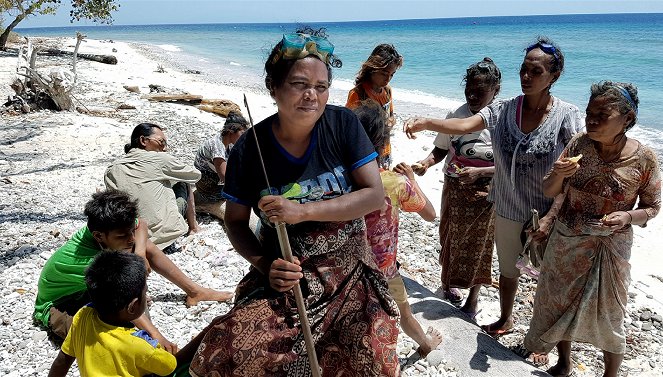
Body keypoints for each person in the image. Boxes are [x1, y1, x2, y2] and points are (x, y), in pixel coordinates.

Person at [188, 29, 400, 376]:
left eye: (321, 86)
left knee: (371, 360)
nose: (311, 96)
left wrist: (302, 211)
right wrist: (264, 264)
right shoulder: (248, 150)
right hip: (288, 275)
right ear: (273, 87)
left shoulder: (342, 124)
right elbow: (237, 221)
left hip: (350, 274)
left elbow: (373, 195)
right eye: (299, 84)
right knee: (227, 351)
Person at [404, 37, 583, 337]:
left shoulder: (567, 115)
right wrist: (425, 122)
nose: (526, 76)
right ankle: (506, 319)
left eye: (535, 71)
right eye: (524, 69)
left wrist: (555, 212)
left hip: (547, 209)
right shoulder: (503, 110)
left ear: (555, 76)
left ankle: (549, 341)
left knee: (550, 277)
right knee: (508, 269)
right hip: (508, 204)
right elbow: (463, 125)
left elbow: (578, 160)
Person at [524, 82, 661, 377]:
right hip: (567, 240)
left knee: (610, 313)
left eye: (603, 113)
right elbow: (551, 190)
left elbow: (652, 207)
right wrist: (559, 176)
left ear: (627, 119)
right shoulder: (580, 144)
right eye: (589, 112)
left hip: (610, 247)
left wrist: (627, 216)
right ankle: (564, 362)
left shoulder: (645, 157)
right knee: (559, 301)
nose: (592, 119)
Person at [34, 190, 233, 352]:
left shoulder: (106, 228)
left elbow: (141, 225)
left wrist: (139, 254)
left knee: (144, 245)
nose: (129, 238)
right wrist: (156, 335)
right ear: (99, 236)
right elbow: (119, 296)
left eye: (129, 231)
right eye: (122, 236)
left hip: (89, 290)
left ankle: (194, 291)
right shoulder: (89, 262)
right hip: (60, 305)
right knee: (108, 341)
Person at [411, 58, 501, 316]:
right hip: (455, 187)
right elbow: (441, 149)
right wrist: (426, 163)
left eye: (480, 91)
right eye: (468, 90)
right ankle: (447, 285)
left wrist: (480, 172)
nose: (472, 96)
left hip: (488, 191)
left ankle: (473, 298)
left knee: (480, 246)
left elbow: (510, 164)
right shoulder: (455, 116)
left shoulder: (502, 120)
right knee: (449, 237)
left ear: (495, 90)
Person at [354, 100, 442, 357]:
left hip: (349, 266)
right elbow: (430, 214)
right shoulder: (395, 182)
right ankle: (425, 345)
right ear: (383, 144)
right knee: (404, 311)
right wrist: (412, 181)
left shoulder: (340, 180)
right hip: (384, 267)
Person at [47, 251, 177, 377]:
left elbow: (62, 360)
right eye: (145, 293)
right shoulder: (139, 345)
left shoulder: (83, 315)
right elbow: (170, 366)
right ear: (133, 306)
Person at [105, 123, 201, 251]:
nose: (164, 148)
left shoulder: (112, 168)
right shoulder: (159, 159)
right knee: (183, 181)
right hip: (161, 235)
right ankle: (194, 228)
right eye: (162, 142)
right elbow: (195, 175)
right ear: (143, 141)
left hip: (129, 238)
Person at [346, 43, 403, 168]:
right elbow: (350, 129)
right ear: (373, 69)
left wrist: (390, 122)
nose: (388, 78)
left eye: (392, 74)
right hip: (367, 154)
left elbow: (390, 115)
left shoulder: (387, 90)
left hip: (385, 149)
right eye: (384, 73)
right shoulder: (358, 94)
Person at [194, 111, 249, 219]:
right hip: (208, 187)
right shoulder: (216, 145)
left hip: (215, 182)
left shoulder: (228, 145)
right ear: (230, 131)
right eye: (242, 133)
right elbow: (224, 176)